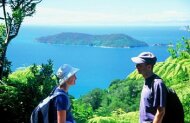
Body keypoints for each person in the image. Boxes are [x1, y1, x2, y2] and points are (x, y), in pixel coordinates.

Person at [131, 52, 167, 123]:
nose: (136, 67)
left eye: (139, 65)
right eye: (136, 64)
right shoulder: (147, 81)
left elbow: (161, 112)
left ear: (149, 67)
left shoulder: (157, 83)